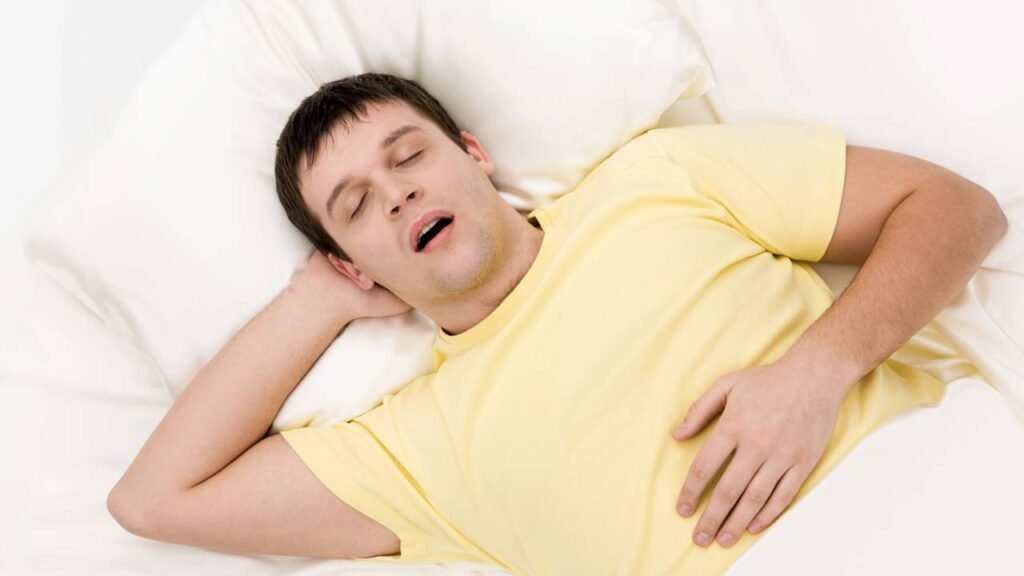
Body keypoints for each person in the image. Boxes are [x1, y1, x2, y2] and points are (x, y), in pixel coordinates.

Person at [106, 73, 1008, 574]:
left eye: (408, 156)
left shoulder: (656, 182)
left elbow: (959, 210)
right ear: (352, 263)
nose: (398, 194)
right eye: (356, 206)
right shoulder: (413, 450)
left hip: (945, 486)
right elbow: (152, 501)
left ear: (473, 156)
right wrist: (317, 299)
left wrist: (817, 372)